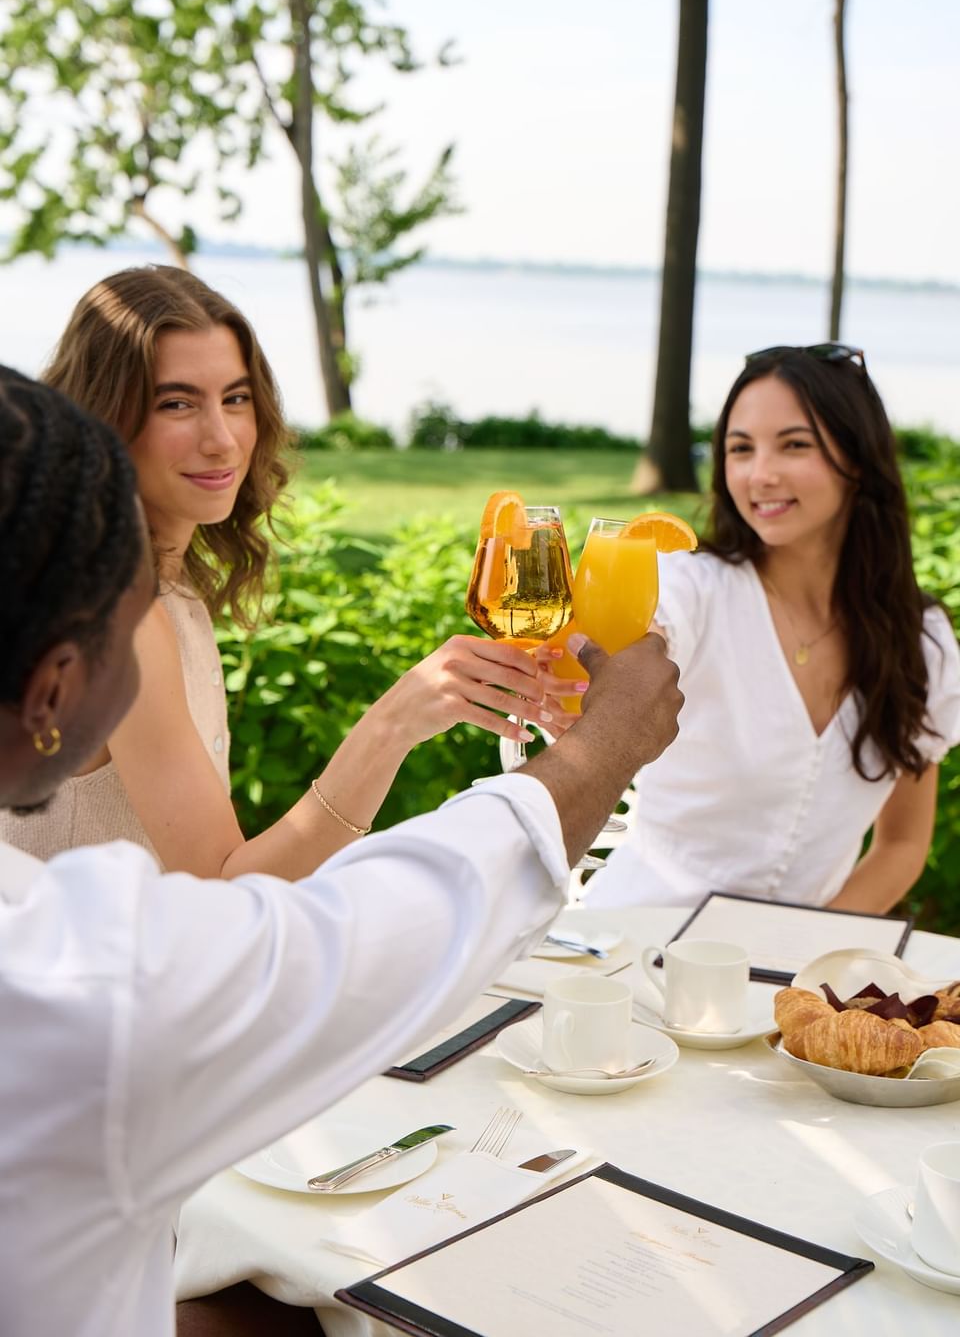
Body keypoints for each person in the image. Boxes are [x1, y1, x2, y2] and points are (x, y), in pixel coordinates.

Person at [0, 369, 683, 1335]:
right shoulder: (68, 979)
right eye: (125, 625)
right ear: (55, 687)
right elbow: (343, 942)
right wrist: (602, 752)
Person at [0, 266, 580, 875]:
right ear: (104, 418)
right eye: (177, 403)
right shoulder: (123, 616)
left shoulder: (158, 584)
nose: (221, 439)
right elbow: (226, 888)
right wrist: (392, 725)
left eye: (236, 398)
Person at [583, 343, 960, 914]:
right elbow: (631, 637)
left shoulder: (920, 640)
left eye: (794, 445)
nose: (760, 475)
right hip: (632, 945)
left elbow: (902, 844)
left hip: (794, 985)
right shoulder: (690, 587)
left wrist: (806, 957)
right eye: (740, 449)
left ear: (857, 458)